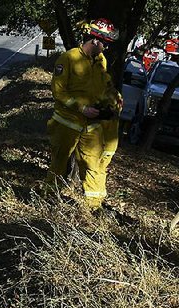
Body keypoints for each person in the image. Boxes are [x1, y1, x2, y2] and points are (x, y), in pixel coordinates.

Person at [46, 18, 121, 210]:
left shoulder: (100, 61)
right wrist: (82, 108)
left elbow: (103, 85)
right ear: (95, 40)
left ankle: (93, 208)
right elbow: (58, 91)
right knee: (59, 163)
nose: (107, 47)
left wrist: (113, 97)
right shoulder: (68, 58)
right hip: (67, 122)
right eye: (105, 43)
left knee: (93, 164)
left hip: (91, 124)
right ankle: (47, 200)